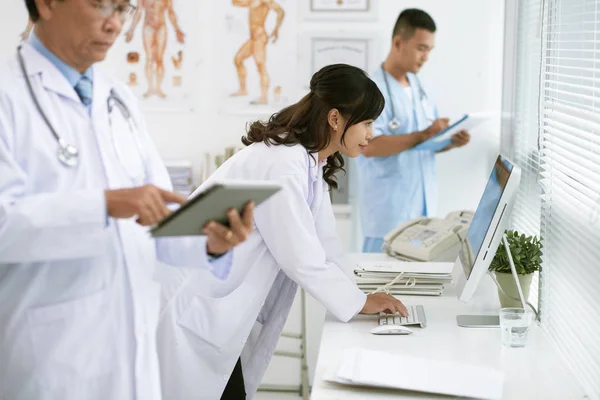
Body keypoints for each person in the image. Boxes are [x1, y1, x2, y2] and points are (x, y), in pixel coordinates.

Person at [0, 2, 253, 400]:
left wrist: (210, 240)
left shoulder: (118, 99)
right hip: (49, 357)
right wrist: (101, 205)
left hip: (132, 355)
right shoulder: (7, 95)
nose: (115, 23)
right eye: (101, 4)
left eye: (122, 7)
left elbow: (155, 217)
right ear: (46, 4)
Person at [156, 64, 409, 400]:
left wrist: (360, 297)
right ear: (336, 119)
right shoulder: (283, 163)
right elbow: (300, 257)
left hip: (218, 305)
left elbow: (326, 245)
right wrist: (360, 302)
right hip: (196, 301)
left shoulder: (308, 163)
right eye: (366, 123)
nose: (370, 134)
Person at [357, 8, 471, 253]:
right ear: (398, 42)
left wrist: (450, 141)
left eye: (430, 50)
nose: (426, 56)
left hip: (422, 209)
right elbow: (369, 146)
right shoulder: (370, 89)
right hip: (387, 214)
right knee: (377, 286)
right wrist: (425, 134)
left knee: (412, 286)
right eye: (421, 48)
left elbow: (423, 145)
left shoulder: (421, 87)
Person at [125, 0, 185, 98]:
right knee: (149, 58)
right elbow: (138, 11)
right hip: (148, 26)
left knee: (159, 59)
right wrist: (131, 30)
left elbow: (170, 11)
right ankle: (150, 88)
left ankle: (158, 88)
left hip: (161, 26)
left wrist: (177, 29)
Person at [231, 0, 285, 104]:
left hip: (259, 37)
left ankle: (263, 98)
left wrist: (276, 29)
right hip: (253, 38)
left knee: (260, 66)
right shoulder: (251, 1)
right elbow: (236, 3)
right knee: (238, 60)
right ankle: (243, 90)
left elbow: (281, 11)